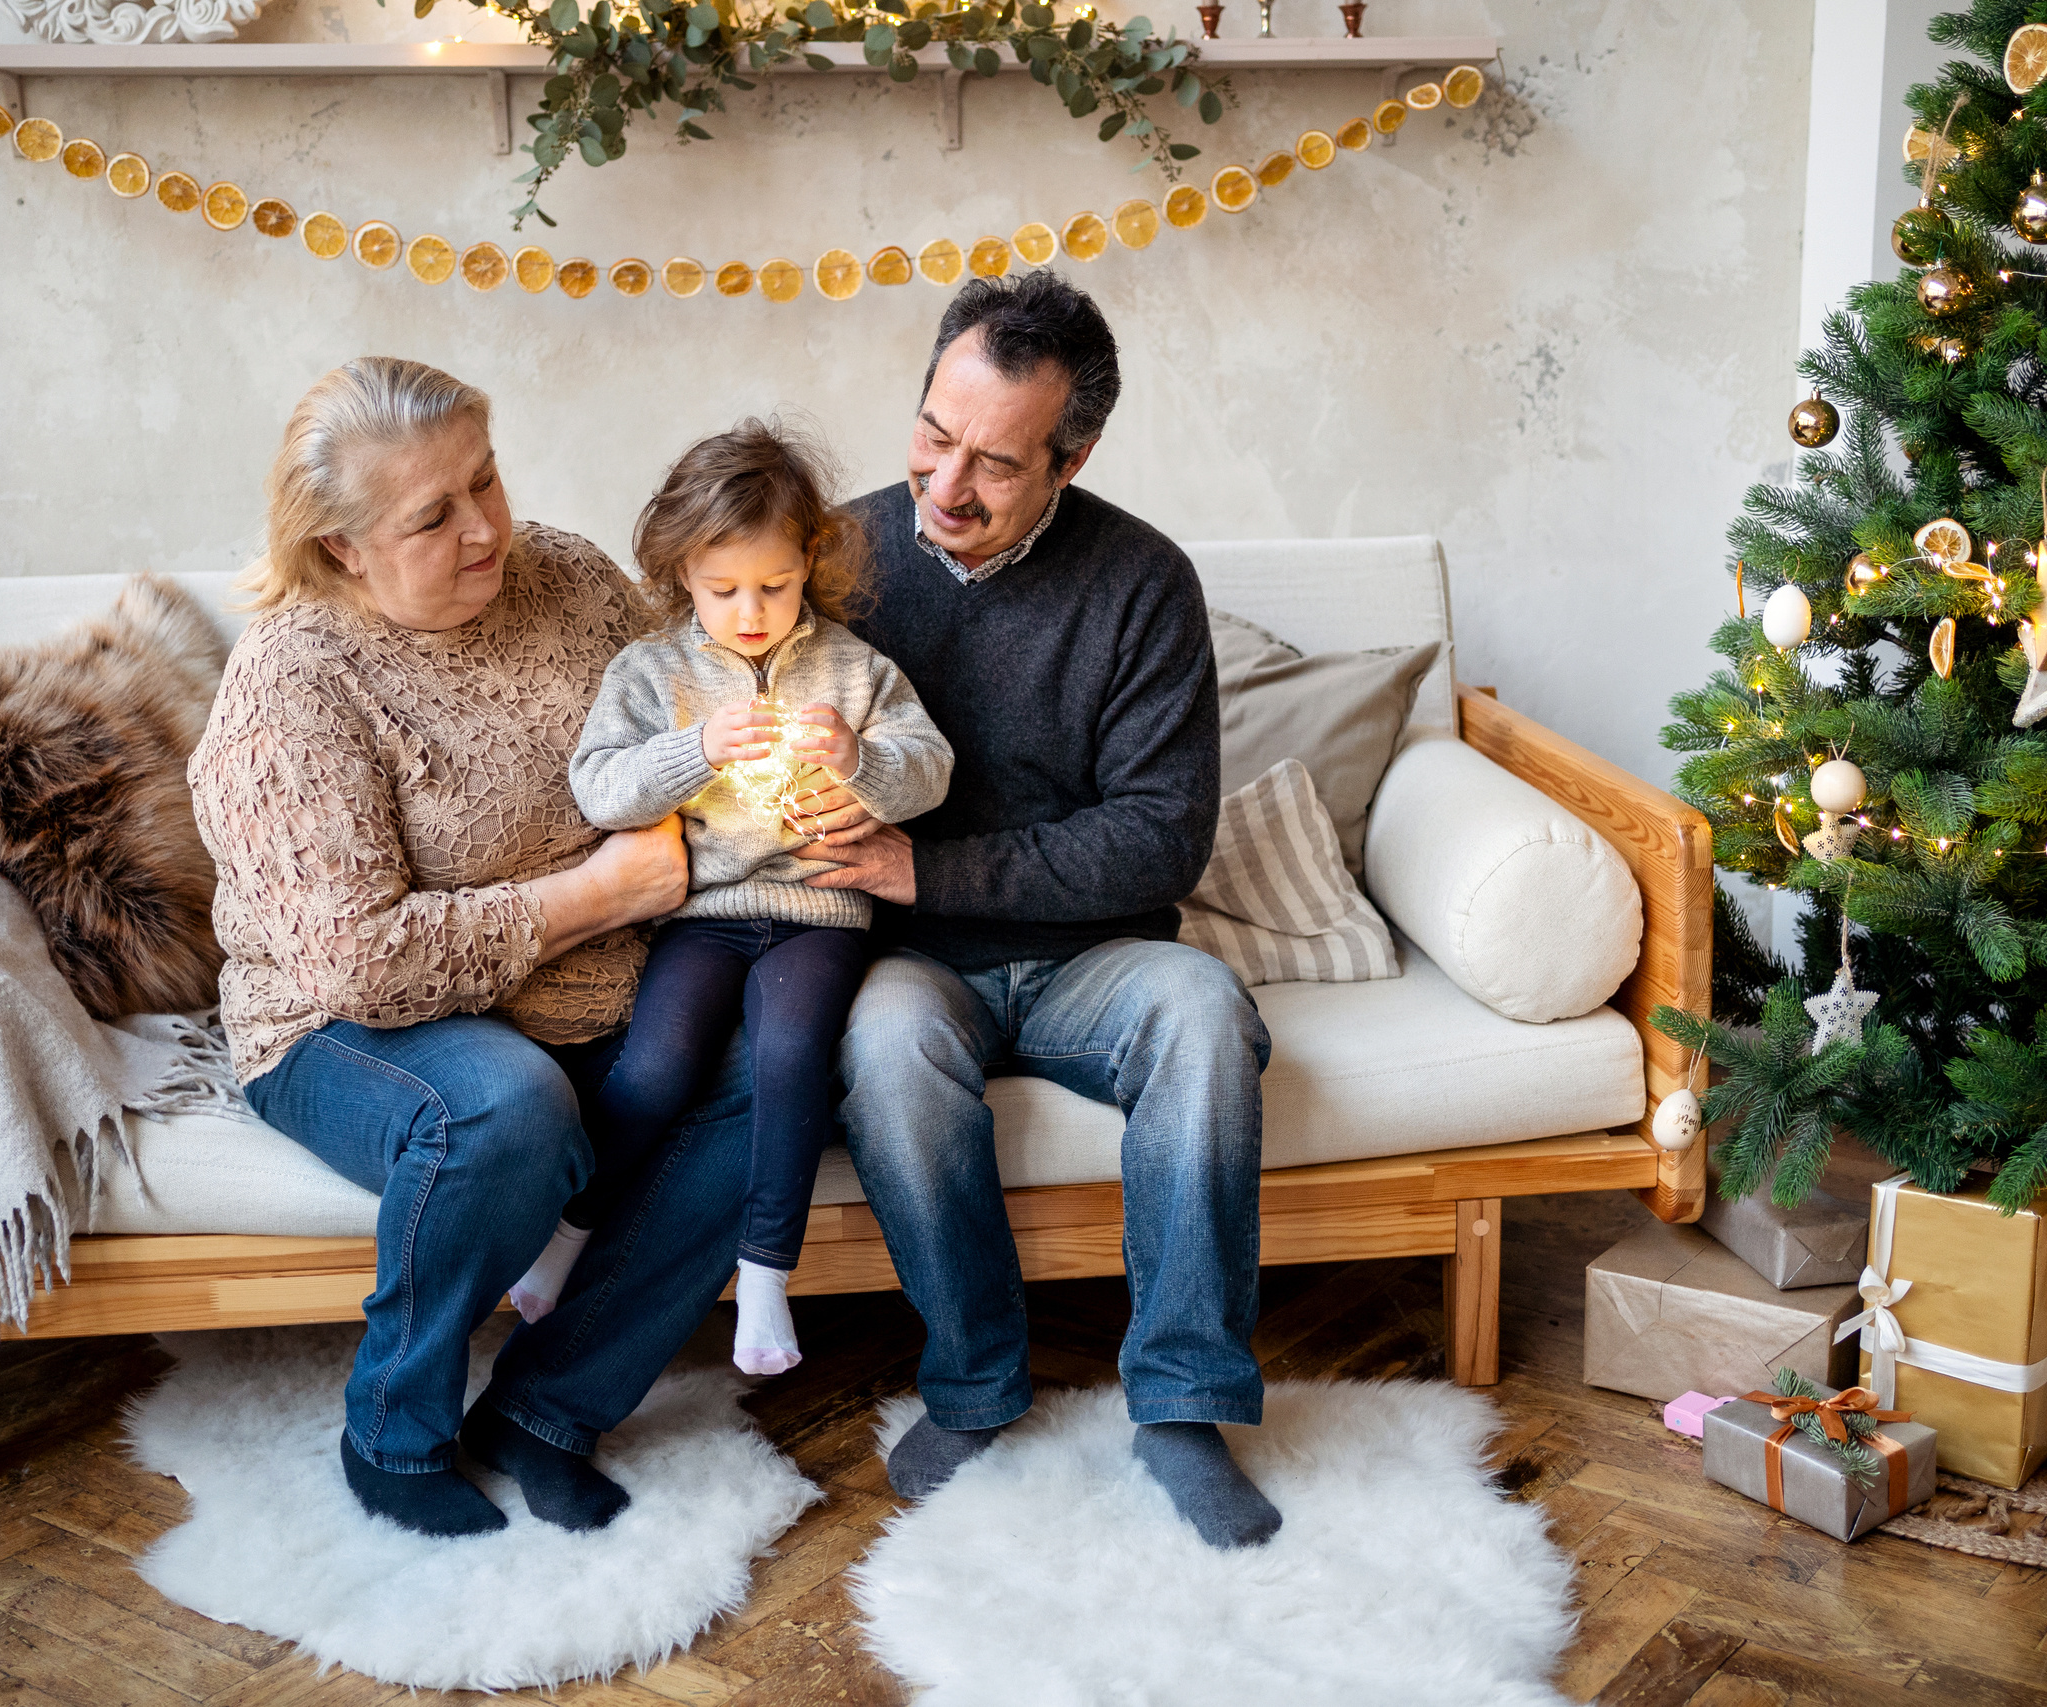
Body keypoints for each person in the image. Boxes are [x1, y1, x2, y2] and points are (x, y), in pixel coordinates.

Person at [801, 271, 1282, 1550]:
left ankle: (1182, 1406)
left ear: (1074, 457)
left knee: (1203, 1012)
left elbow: (1160, 838)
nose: (947, 486)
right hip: (911, 964)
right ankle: (973, 1384)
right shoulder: (832, 559)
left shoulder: (1143, 582)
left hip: (1094, 959)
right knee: (884, 1047)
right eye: (933, 435)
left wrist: (927, 871)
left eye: (997, 464)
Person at [188, 355, 704, 1539]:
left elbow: (680, 720)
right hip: (342, 1026)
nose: (484, 528)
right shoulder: (292, 685)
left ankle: (545, 1409)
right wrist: (594, 895)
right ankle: (393, 1427)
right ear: (341, 547)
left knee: (774, 1075)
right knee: (504, 1106)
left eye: (486, 479)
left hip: (596, 992)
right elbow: (358, 962)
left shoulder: (569, 576)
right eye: (432, 516)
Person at [504, 421, 953, 1376]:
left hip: (820, 912)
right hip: (702, 919)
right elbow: (600, 788)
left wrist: (860, 759)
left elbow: (931, 769)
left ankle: (763, 1277)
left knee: (792, 1059)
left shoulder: (854, 668)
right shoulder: (650, 672)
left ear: (809, 563)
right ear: (682, 575)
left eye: (775, 586)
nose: (751, 613)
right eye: (723, 590)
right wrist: (696, 749)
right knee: (655, 1070)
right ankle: (568, 1233)